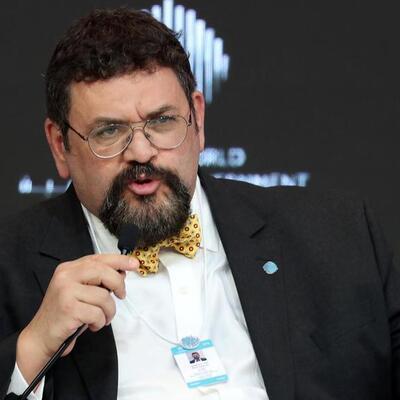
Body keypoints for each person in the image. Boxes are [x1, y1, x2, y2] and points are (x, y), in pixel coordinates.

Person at [0, 7, 399, 400]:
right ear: (60, 145)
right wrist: (31, 350)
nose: (141, 152)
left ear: (198, 119)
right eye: (109, 131)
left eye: (161, 121)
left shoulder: (338, 237)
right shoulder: (10, 267)